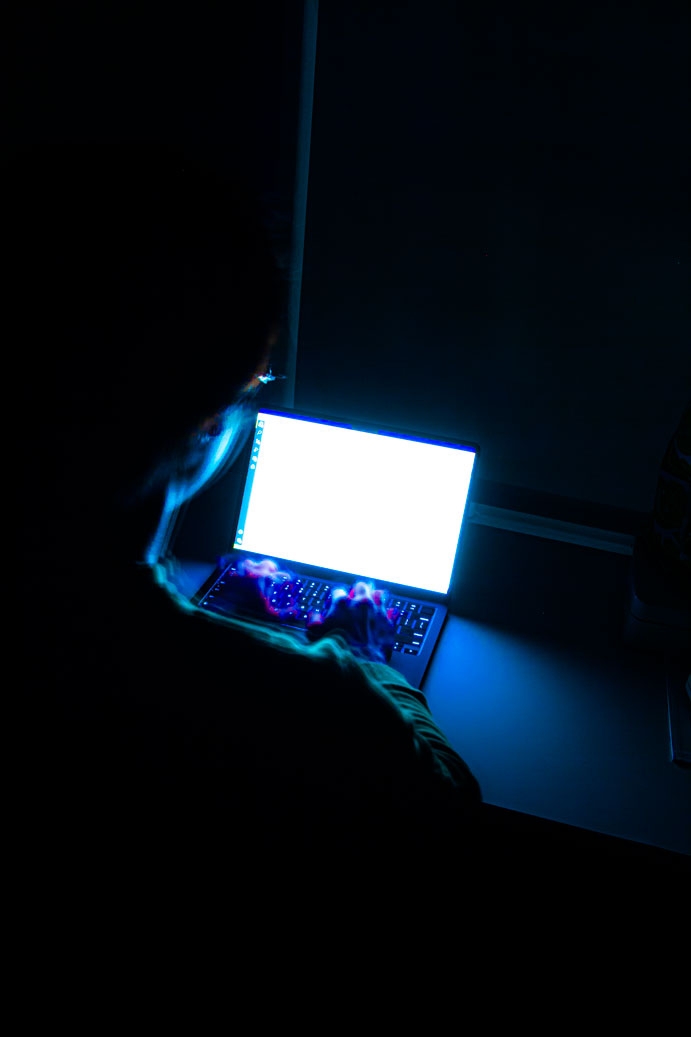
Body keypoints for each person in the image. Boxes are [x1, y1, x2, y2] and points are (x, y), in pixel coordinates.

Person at [13, 136, 481, 877]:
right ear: (209, 420)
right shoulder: (317, 704)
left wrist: (228, 618)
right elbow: (451, 804)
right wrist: (360, 659)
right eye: (256, 381)